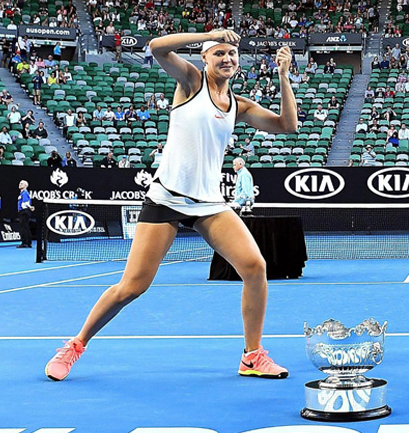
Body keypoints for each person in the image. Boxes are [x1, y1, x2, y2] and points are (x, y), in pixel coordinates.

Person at [44, 29, 297, 382]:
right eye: (219, 53)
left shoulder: (239, 105)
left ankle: (252, 356)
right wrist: (209, 34)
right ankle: (76, 345)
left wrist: (283, 76)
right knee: (132, 287)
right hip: (166, 198)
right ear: (204, 58)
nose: (227, 58)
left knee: (255, 267)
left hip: (209, 203)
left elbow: (287, 125)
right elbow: (156, 48)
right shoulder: (191, 82)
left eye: (232, 54)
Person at [16, 180, 34, 249]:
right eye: (20, 183)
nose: (20, 184)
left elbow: (25, 202)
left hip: (24, 211)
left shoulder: (24, 193)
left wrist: (30, 207)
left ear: (25, 186)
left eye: (22, 184)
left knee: (23, 227)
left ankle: (25, 243)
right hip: (24, 211)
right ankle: (28, 242)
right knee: (26, 227)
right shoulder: (22, 193)